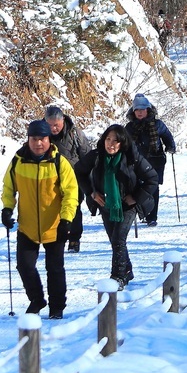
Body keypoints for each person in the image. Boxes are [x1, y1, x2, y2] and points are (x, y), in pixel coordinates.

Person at [0, 119, 79, 319]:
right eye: (34, 139)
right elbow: (9, 187)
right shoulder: (18, 161)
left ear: (49, 139)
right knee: (24, 266)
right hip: (27, 226)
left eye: (42, 139)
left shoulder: (59, 162)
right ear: (28, 139)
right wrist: (7, 208)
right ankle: (37, 299)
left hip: (54, 226)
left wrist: (66, 219)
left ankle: (57, 307)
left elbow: (71, 193)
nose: (38, 143)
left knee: (55, 269)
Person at [73, 124, 159, 290]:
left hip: (127, 206)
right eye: (108, 139)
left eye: (115, 141)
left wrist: (136, 197)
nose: (110, 144)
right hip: (106, 204)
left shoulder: (132, 157)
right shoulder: (97, 156)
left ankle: (118, 276)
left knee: (119, 239)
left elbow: (152, 178)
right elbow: (79, 171)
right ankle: (127, 270)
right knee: (114, 240)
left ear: (122, 143)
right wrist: (91, 192)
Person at [46, 105, 92, 252]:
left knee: (73, 208)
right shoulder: (41, 135)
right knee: (53, 209)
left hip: (74, 178)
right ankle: (55, 239)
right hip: (50, 179)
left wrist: (89, 177)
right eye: (50, 125)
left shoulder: (75, 134)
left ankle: (74, 239)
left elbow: (87, 156)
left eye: (56, 125)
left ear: (63, 120)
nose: (53, 128)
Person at [125, 93, 176, 226]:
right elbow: (124, 142)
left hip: (155, 159)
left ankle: (152, 217)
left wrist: (170, 146)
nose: (140, 112)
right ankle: (143, 213)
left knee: (153, 187)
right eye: (137, 109)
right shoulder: (129, 127)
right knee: (138, 187)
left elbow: (167, 136)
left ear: (148, 110)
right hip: (136, 162)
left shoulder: (157, 124)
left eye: (142, 109)